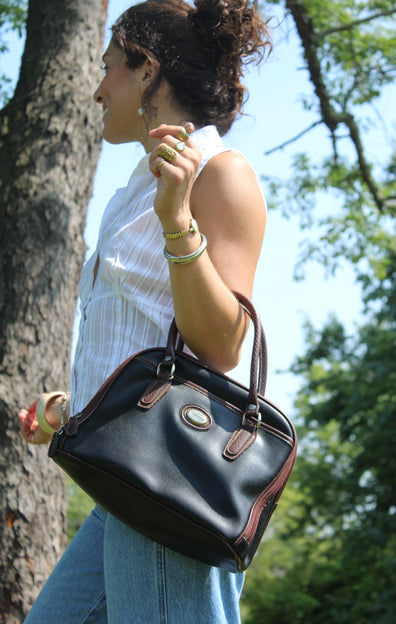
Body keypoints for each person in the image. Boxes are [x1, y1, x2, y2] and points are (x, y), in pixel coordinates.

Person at [18, 0, 271, 621]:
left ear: (147, 69)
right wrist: (71, 408)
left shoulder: (220, 174)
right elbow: (145, 342)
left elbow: (221, 346)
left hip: (171, 486)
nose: (98, 88)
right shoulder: (135, 188)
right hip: (123, 482)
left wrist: (178, 221)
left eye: (109, 67)